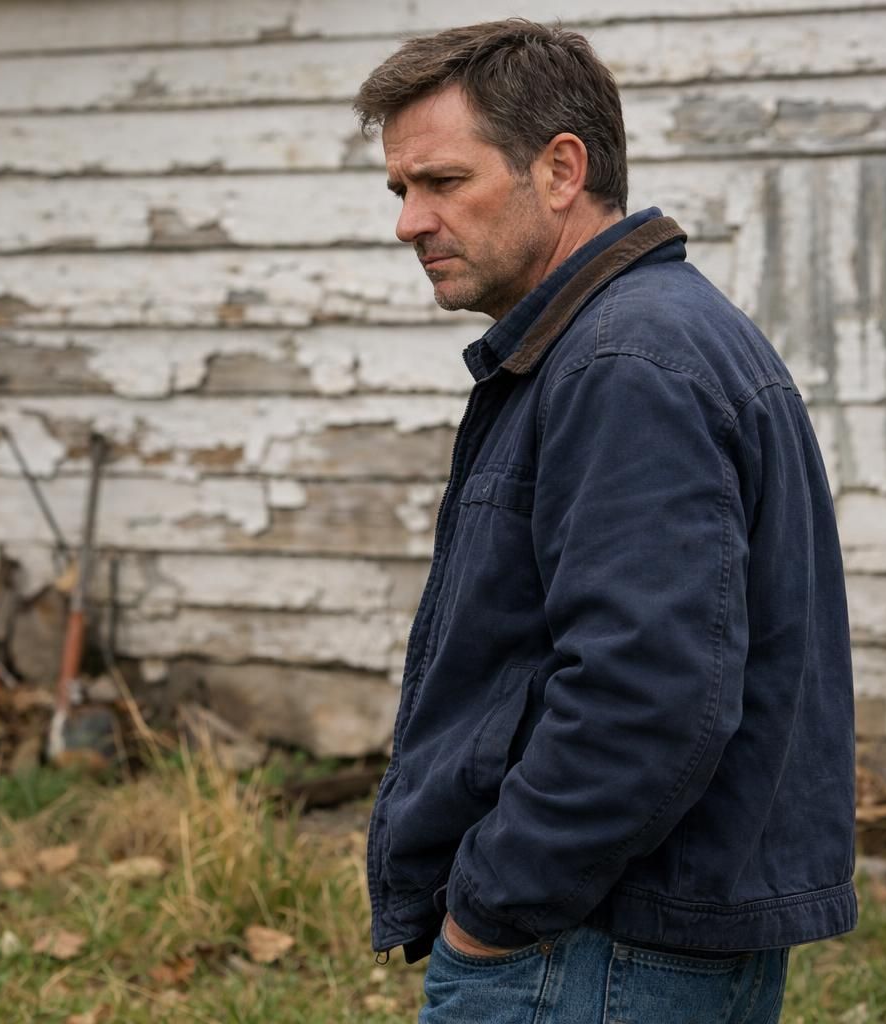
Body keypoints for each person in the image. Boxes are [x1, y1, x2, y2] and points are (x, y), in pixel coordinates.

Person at [353, 19, 857, 1024]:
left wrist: (490, 910)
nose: (410, 221)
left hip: (589, 953)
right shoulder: (638, 337)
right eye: (401, 191)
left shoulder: (624, 361)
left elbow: (645, 692)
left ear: (560, 169)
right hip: (623, 943)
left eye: (442, 182)